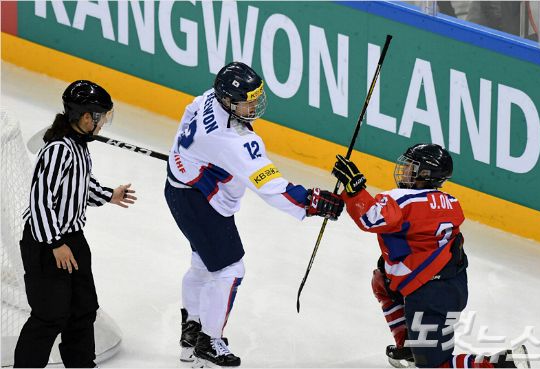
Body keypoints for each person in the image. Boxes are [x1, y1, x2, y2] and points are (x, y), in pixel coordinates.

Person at [164, 61, 344, 367]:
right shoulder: (233, 141)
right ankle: (209, 341)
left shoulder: (208, 98)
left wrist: (190, 163)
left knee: (202, 265)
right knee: (231, 270)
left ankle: (191, 335)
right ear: (228, 101)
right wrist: (311, 202)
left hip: (181, 189)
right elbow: (272, 187)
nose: (254, 106)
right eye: (247, 102)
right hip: (203, 202)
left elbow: (191, 131)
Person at [331, 144, 530, 368]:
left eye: (410, 167)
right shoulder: (452, 203)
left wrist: (355, 189)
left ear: (424, 175)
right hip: (452, 287)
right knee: (383, 280)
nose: (404, 170)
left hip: (428, 297)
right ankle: (409, 346)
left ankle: (507, 363)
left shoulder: (401, 199)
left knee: (435, 365)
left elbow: (371, 218)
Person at [14, 80, 137, 368]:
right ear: (85, 117)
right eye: (101, 117)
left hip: (72, 238)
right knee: (50, 315)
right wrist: (56, 243)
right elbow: (40, 200)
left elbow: (79, 186)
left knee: (83, 310)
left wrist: (109, 195)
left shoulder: (79, 146)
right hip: (45, 242)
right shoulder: (58, 149)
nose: (104, 123)